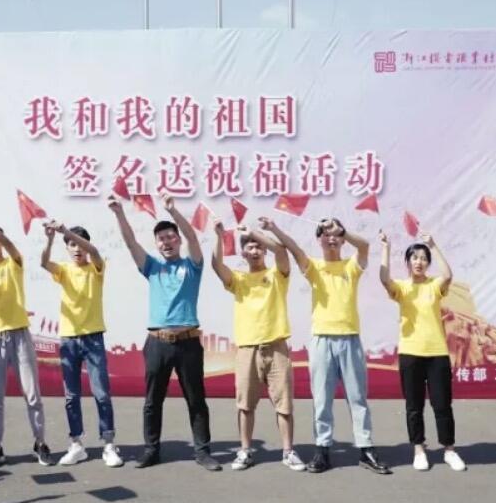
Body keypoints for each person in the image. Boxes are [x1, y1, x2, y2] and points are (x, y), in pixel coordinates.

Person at [267, 217, 389, 474]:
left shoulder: (351, 266)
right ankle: (322, 449)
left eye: (335, 235)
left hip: (350, 338)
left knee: (357, 398)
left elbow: (364, 246)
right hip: (322, 339)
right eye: (325, 234)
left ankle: (366, 448)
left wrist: (341, 229)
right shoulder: (314, 267)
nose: (331, 238)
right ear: (319, 240)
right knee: (322, 399)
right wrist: (274, 228)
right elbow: (293, 249)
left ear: (342, 240)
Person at [108, 193, 216, 471]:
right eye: (161, 239)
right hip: (158, 342)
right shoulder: (152, 267)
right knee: (152, 401)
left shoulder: (192, 265)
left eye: (170, 237)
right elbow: (130, 242)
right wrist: (119, 213)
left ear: (177, 240)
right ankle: (151, 450)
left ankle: (203, 452)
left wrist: (173, 211)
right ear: (156, 244)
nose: (166, 242)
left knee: (196, 400)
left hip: (188, 343)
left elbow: (193, 237)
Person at [209, 217, 304, 472]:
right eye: (249, 247)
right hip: (247, 349)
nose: (254, 251)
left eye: (258, 247)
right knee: (245, 405)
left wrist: (255, 233)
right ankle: (245, 450)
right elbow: (217, 265)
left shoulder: (277, 275)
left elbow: (281, 252)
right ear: (243, 253)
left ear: (264, 250)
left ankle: (288, 451)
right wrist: (219, 236)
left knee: (284, 405)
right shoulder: (238, 280)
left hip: (276, 347)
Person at [0, 210, 51, 468]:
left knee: (32, 395)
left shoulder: (15, 262)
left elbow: (10, 245)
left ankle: (40, 443)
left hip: (20, 335)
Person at [379, 230, 465, 472]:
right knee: (414, 406)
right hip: (410, 353)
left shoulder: (434, 285)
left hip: (436, 353)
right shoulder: (402, 287)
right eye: (414, 258)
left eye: (423, 258)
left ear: (428, 263)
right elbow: (384, 279)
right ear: (407, 262)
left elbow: (448, 275)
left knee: (442, 404)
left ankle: (449, 449)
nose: (419, 262)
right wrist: (385, 248)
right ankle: (419, 449)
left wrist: (433, 245)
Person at [42, 220, 121, 468]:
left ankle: (109, 444)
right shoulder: (64, 270)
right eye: (72, 245)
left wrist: (66, 231)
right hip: (68, 339)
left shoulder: (96, 267)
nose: (77, 249)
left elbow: (94, 252)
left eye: (80, 245)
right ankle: (76, 444)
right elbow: (44, 262)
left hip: (93, 337)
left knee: (101, 393)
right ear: (67, 248)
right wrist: (50, 238)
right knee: (71, 395)